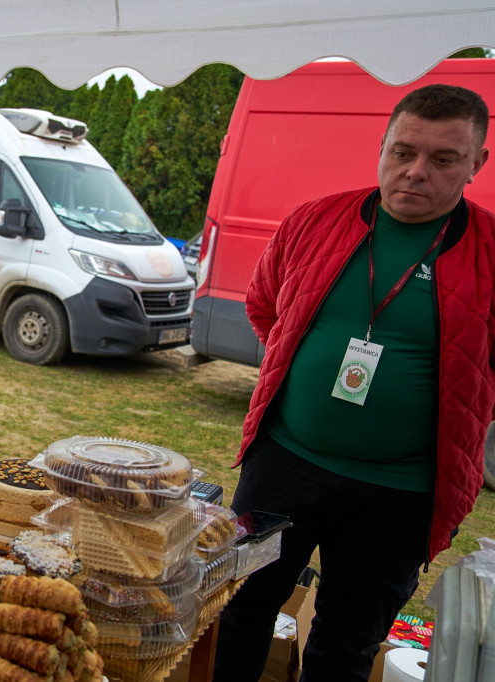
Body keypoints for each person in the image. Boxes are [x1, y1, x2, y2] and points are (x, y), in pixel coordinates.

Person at [213, 84, 494, 682]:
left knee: (345, 645)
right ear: (382, 146)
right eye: (403, 152)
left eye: (443, 159)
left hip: (401, 492)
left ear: (477, 163)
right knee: (240, 609)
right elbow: (265, 307)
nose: (415, 171)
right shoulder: (314, 220)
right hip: (282, 465)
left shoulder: (491, 253)